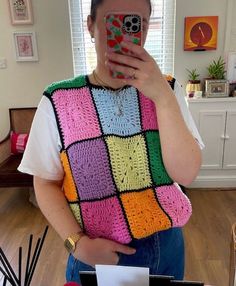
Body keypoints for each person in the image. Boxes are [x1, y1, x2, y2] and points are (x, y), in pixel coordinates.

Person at [18, 0, 204, 283]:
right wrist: (77, 244)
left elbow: (186, 173)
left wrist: (163, 98)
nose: (127, 32)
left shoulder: (168, 89)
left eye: (136, 22)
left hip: (167, 247)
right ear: (91, 25)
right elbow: (44, 182)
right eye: (113, 21)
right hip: (97, 256)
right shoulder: (58, 101)